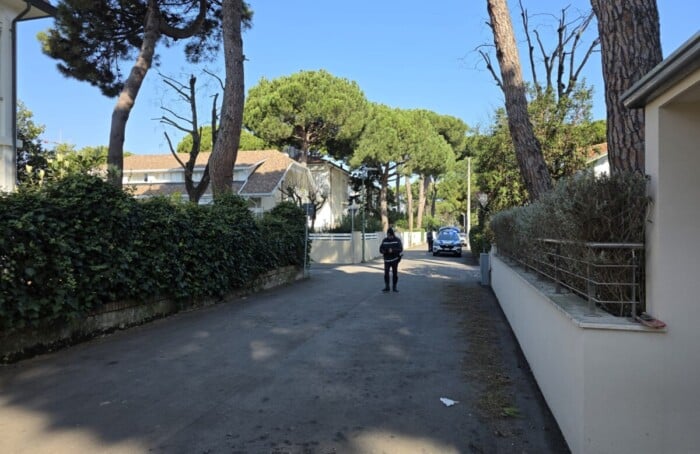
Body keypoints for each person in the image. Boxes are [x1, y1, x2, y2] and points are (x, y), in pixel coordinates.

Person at [379, 227, 404, 292]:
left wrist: (393, 250)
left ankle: (394, 287)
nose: (389, 237)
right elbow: (381, 249)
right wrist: (385, 251)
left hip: (395, 260)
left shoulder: (397, 240)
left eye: (390, 235)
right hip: (386, 260)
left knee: (395, 274)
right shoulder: (385, 240)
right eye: (388, 235)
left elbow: (400, 249)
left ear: (392, 234)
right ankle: (387, 287)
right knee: (386, 274)